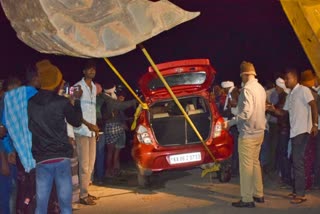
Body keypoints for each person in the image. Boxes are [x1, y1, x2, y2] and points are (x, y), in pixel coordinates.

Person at [28, 59, 83, 214]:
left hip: (42, 158)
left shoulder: (31, 103)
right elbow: (77, 122)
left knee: (41, 205)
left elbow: (31, 127)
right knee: (65, 204)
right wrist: (77, 101)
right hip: (61, 158)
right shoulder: (61, 102)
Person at [223, 61, 266, 208]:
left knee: (246, 167)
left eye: (241, 76)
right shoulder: (260, 88)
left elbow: (246, 113)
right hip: (259, 132)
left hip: (248, 133)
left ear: (245, 74)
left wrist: (230, 123)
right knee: (255, 163)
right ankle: (258, 194)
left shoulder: (247, 89)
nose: (241, 79)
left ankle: (247, 198)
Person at [276, 69, 318, 204]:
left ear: (294, 78)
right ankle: (296, 191)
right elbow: (283, 113)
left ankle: (301, 194)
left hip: (302, 130)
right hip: (294, 131)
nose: (286, 81)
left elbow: (313, 106)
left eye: (287, 79)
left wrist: (315, 124)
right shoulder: (291, 94)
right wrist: (271, 109)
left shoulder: (303, 90)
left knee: (297, 161)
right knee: (295, 161)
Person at [73, 59, 99, 205]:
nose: (92, 71)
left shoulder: (94, 87)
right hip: (82, 130)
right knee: (83, 164)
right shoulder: (76, 87)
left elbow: (92, 110)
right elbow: (72, 111)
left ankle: (86, 191)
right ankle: (82, 196)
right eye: (89, 69)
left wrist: (94, 127)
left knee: (91, 163)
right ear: (83, 71)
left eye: (94, 68)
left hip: (91, 131)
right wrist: (89, 125)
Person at [101, 82, 136, 178]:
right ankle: (111, 171)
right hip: (114, 126)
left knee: (112, 152)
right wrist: (134, 102)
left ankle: (112, 171)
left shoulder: (108, 98)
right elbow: (120, 107)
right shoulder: (109, 99)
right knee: (113, 152)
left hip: (113, 127)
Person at [220, 81, 240, 176]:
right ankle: (234, 169)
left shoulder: (233, 93)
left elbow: (234, 108)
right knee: (235, 148)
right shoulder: (232, 92)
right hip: (234, 123)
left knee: (235, 148)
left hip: (235, 124)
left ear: (226, 88)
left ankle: (235, 170)